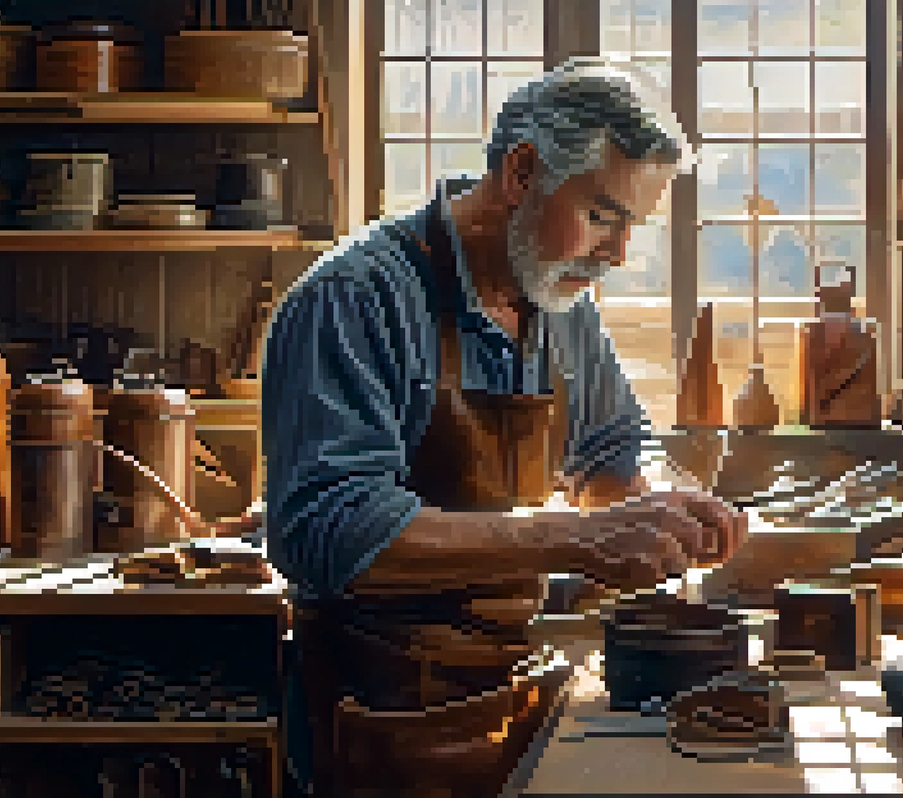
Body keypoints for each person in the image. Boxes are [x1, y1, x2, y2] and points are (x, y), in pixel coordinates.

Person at [261, 58, 749, 795]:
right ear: (522, 173)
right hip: (376, 722)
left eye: (631, 228)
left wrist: (662, 501)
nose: (617, 254)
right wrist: (577, 538)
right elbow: (330, 530)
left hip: (509, 696)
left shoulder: (558, 301)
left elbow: (613, 446)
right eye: (602, 217)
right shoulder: (356, 299)